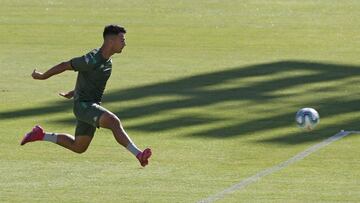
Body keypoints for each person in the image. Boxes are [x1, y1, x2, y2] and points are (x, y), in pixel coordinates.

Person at [20, 24, 152, 167]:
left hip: (91, 106)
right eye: (122, 39)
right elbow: (65, 65)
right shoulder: (92, 59)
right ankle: (139, 154)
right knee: (113, 122)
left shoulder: (109, 62)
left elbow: (90, 80)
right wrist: (43, 76)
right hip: (84, 106)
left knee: (79, 147)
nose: (125, 43)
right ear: (111, 41)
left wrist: (74, 91)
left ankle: (40, 134)